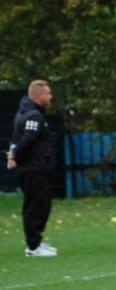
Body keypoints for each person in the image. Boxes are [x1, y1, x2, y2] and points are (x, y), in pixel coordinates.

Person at [9, 80, 58, 257]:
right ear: (39, 96)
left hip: (35, 168)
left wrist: (13, 154)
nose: (51, 97)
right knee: (36, 206)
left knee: (41, 205)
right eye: (48, 94)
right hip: (34, 169)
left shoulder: (23, 114)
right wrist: (15, 155)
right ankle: (33, 247)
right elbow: (27, 140)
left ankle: (36, 242)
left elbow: (16, 140)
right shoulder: (33, 116)